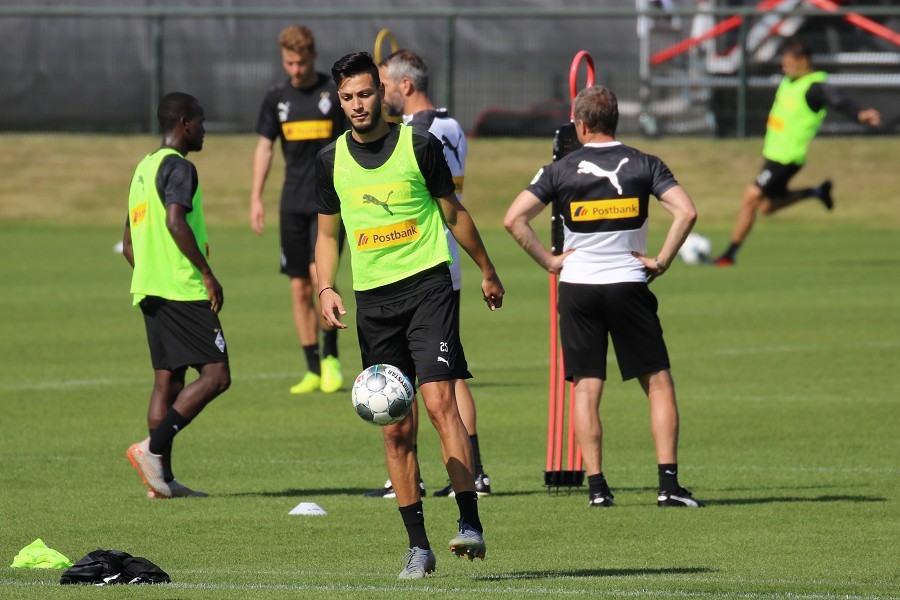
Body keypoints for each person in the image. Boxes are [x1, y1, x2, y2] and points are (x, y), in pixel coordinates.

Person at [315, 52, 504, 579]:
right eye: (347, 98)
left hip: (428, 286)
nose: (356, 105)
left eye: (364, 94)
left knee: (440, 399)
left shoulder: (418, 145)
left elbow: (453, 212)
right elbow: (328, 236)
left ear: (381, 91)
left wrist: (487, 269)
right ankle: (419, 547)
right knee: (395, 430)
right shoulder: (330, 162)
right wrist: (326, 286)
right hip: (373, 303)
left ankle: (469, 523)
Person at [504, 84, 703, 509]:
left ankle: (597, 489)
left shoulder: (560, 169)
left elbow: (513, 219)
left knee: (586, 388)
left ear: (579, 124)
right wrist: (662, 260)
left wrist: (550, 261)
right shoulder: (646, 163)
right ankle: (668, 486)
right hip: (629, 282)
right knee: (658, 382)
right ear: (615, 121)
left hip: (578, 286)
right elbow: (686, 211)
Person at [362, 49, 491, 500]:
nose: (382, 95)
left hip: (424, 260)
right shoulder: (452, 126)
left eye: (385, 85)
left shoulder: (414, 136)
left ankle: (413, 473)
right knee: (451, 375)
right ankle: (474, 471)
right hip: (448, 258)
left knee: (427, 380)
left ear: (406, 86)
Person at [122, 92, 231, 499]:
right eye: (201, 121)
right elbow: (174, 220)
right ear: (185, 123)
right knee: (217, 375)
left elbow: (129, 243)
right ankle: (151, 449)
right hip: (182, 289)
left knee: (167, 379)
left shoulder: (142, 169)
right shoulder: (180, 167)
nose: (204, 130)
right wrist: (206, 273)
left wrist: (152, 273)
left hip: (149, 288)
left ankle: (160, 483)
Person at [714, 38, 882, 267]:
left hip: (787, 158)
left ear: (803, 61)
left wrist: (860, 113)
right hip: (773, 154)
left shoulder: (815, 86)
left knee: (751, 198)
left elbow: (839, 100)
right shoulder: (790, 81)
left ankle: (729, 255)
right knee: (766, 206)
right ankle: (816, 192)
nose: (785, 67)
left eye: (789, 63)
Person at [250, 24, 347, 392]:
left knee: (319, 278)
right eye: (289, 63)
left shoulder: (330, 92)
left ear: (313, 57)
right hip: (291, 203)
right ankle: (311, 368)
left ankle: (331, 358)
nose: (295, 69)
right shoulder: (276, 98)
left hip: (328, 203)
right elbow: (264, 148)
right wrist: (255, 196)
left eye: (300, 62)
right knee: (297, 288)